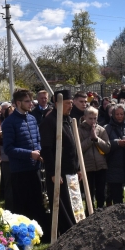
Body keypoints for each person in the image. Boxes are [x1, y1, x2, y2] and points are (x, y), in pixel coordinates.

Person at [40, 89, 79, 239]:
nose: (71, 106)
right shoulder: (49, 122)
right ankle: (67, 236)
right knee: (63, 207)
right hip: (59, 173)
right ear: (57, 104)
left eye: (71, 103)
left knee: (74, 205)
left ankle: (75, 232)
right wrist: (53, 173)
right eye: (68, 103)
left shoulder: (68, 119)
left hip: (71, 171)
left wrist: (78, 168)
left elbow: (73, 147)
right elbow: (47, 150)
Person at [3, 89, 45, 219]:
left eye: (31, 101)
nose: (31, 104)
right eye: (27, 101)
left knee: (37, 201)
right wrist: (29, 154)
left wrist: (39, 152)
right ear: (18, 103)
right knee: (22, 205)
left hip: (35, 168)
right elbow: (8, 149)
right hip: (19, 170)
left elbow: (38, 139)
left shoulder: (32, 118)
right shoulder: (9, 122)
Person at [78, 106, 110, 209]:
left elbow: (107, 148)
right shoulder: (79, 130)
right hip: (87, 167)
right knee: (89, 194)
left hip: (101, 166)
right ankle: (89, 214)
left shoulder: (101, 130)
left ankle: (101, 212)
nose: (93, 121)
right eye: (90, 118)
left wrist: (96, 139)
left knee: (101, 193)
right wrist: (90, 139)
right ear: (85, 117)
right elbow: (78, 149)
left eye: (95, 118)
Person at [104, 103, 125, 205]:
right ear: (113, 115)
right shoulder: (107, 128)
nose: (120, 116)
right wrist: (117, 143)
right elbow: (104, 144)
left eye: (121, 114)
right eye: (117, 114)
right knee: (117, 197)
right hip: (114, 165)